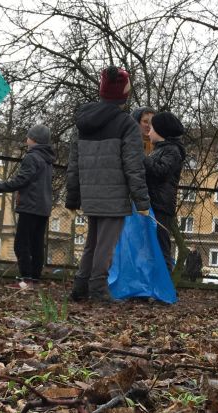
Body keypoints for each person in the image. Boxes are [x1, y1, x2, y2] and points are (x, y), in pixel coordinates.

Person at [65, 66, 151, 302]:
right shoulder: (127, 125)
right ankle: (98, 288)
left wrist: (72, 197)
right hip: (114, 195)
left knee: (92, 242)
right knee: (106, 244)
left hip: (90, 193)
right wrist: (142, 201)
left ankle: (80, 287)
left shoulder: (82, 124)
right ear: (122, 94)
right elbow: (134, 166)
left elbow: (74, 163)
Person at [0, 124, 55, 288]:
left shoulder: (32, 157)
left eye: (29, 137)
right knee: (37, 244)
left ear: (35, 140)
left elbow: (21, 180)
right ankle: (35, 280)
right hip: (43, 207)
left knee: (21, 243)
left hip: (30, 206)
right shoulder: (48, 160)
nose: (26, 140)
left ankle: (26, 279)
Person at [144, 111, 186, 271]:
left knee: (161, 247)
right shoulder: (159, 149)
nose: (149, 132)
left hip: (161, 206)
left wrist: (142, 159)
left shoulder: (172, 151)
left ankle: (166, 288)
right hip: (153, 203)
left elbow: (161, 171)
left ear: (161, 132)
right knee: (151, 246)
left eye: (152, 128)